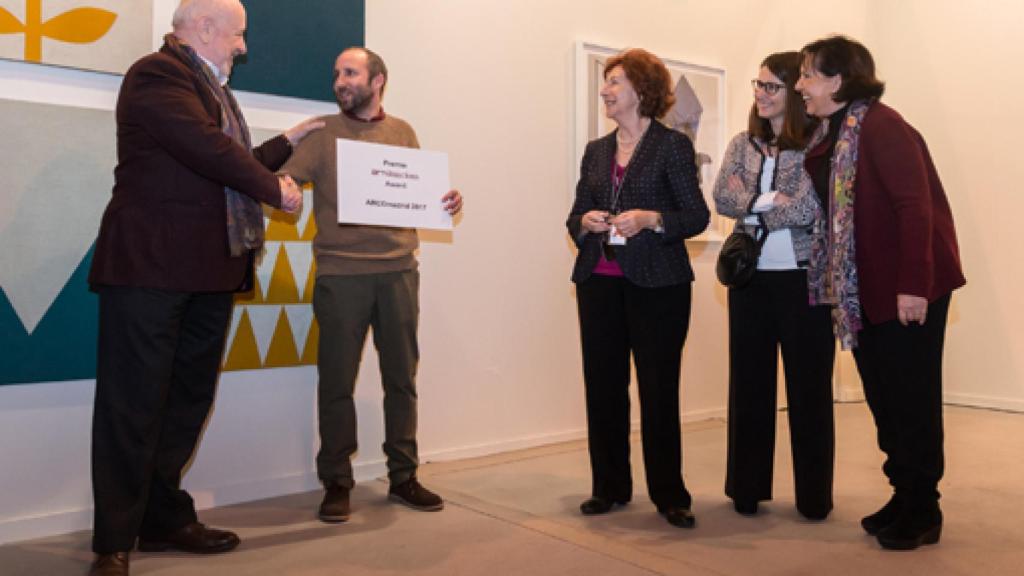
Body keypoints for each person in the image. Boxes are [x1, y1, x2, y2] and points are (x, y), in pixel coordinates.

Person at [86, 0, 323, 574]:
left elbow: (228, 160)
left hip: (210, 272)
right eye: (238, 36)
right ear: (206, 28)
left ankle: (162, 518)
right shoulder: (157, 74)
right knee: (133, 404)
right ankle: (114, 541)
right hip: (150, 270)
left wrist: (288, 140)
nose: (243, 47)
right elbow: (207, 149)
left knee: (187, 402)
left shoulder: (211, 93)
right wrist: (276, 189)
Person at [278, 47, 463, 523]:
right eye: (336, 72)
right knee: (336, 382)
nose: (339, 80)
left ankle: (404, 476)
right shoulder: (322, 133)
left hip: (399, 270)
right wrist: (286, 190)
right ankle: (337, 482)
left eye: (350, 72)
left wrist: (446, 201)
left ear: (377, 80)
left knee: (401, 379)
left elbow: (418, 194)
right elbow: (282, 182)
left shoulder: (403, 132)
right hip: (341, 276)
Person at [796, 35, 965, 550]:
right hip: (864, 293)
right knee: (884, 398)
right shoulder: (838, 132)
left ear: (837, 80)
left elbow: (917, 208)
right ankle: (904, 492)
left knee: (910, 399)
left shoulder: (883, 127)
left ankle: (924, 509)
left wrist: (913, 285)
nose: (800, 85)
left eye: (807, 74)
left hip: (907, 291)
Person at [566, 48, 709, 529]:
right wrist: (584, 222)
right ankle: (609, 487)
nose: (605, 90)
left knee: (657, 389)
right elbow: (574, 214)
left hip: (659, 285)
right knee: (603, 388)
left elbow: (696, 216)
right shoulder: (596, 151)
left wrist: (652, 219)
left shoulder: (672, 146)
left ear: (642, 90)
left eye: (615, 81)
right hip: (599, 283)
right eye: (604, 82)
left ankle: (670, 494)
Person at [712, 51, 835, 520]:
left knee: (808, 391)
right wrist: (765, 199)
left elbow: (807, 210)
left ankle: (814, 498)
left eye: (771, 86)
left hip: (803, 282)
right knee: (748, 386)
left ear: (793, 94)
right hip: (750, 282)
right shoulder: (743, 143)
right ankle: (746, 489)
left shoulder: (818, 142)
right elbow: (722, 196)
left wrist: (751, 204)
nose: (760, 94)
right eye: (757, 85)